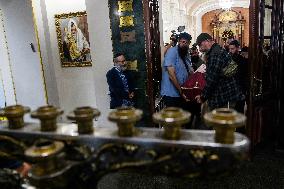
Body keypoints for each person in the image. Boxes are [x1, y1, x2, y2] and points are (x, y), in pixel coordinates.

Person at [195, 33, 245, 111]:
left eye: (200, 45)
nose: (200, 49)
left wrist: (203, 97)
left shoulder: (215, 54)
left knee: (223, 121)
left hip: (225, 97)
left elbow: (212, 79)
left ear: (207, 41)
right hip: (225, 95)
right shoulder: (217, 50)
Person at [160, 32, 193, 109]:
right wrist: (181, 92)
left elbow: (190, 70)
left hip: (182, 93)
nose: (185, 44)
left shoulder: (186, 54)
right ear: (179, 42)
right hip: (172, 94)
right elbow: (171, 75)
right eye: (183, 42)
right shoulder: (172, 52)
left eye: (187, 42)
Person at [228, 40, 248, 113]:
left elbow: (244, 75)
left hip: (240, 88)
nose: (230, 51)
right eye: (229, 49)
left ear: (237, 48)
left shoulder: (242, 60)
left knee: (239, 110)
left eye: (232, 49)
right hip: (232, 89)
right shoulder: (229, 59)